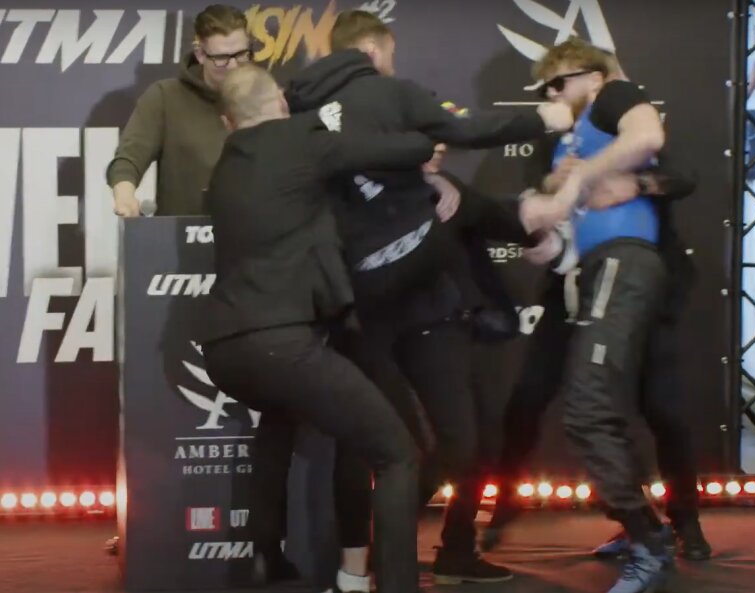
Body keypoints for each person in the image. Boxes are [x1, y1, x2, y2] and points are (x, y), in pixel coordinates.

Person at [285, 10, 573, 589]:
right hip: (362, 318)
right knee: (377, 448)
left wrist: (550, 235)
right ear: (373, 53)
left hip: (428, 317)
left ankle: (427, 549)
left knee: (459, 444)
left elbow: (505, 217)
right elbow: (461, 130)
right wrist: (549, 117)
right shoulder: (326, 128)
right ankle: (356, 566)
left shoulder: (441, 185)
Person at [195, 64, 437, 593]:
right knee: (396, 455)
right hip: (281, 342)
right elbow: (407, 148)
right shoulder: (299, 140)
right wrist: (429, 136)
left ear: (227, 121)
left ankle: (264, 554)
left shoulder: (227, 169)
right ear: (282, 106)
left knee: (277, 418)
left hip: (224, 350)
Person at [484, 49, 711, 565]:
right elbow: (542, 197)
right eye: (543, 88)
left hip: (633, 279)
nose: (550, 95)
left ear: (593, 78)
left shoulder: (617, 114)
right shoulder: (556, 136)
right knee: (532, 396)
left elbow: (682, 173)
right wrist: (554, 186)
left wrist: (632, 182)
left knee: (661, 407)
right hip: (571, 281)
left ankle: (685, 522)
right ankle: (508, 509)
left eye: (557, 83)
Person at [106, 4, 252, 216]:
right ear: (200, 54)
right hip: (184, 233)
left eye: (241, 55)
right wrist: (125, 197)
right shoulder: (165, 97)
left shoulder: (265, 97)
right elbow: (128, 159)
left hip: (255, 233)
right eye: (221, 58)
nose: (233, 66)